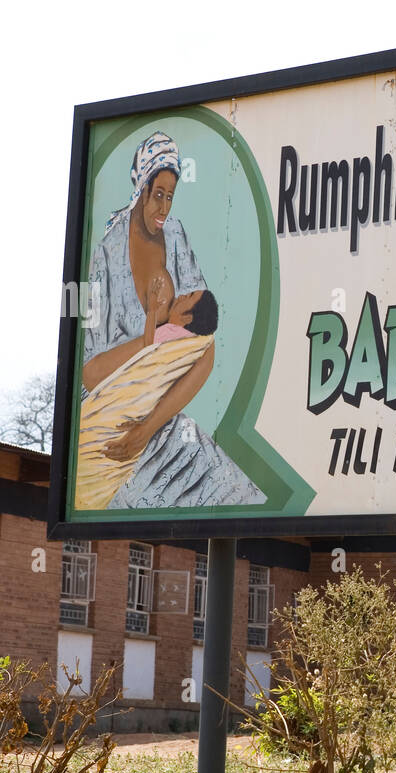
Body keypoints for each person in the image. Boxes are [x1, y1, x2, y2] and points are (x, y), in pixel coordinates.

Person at [77, 130, 265, 510]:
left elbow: (203, 346)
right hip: (110, 421)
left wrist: (147, 430)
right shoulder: (104, 257)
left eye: (171, 196)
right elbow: (92, 375)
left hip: (162, 423)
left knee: (240, 495)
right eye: (158, 194)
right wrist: (150, 334)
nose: (164, 208)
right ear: (141, 187)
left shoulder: (175, 235)